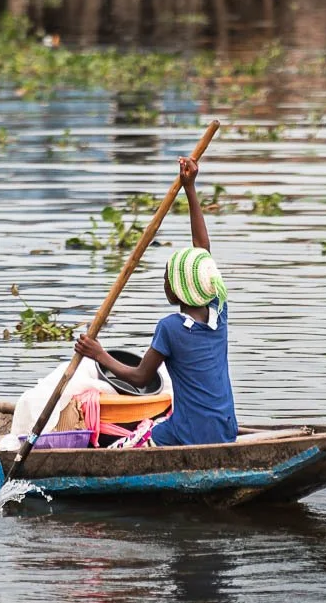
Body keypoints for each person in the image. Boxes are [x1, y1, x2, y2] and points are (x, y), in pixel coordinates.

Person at [73, 156, 236, 447]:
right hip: (226, 430)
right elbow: (203, 250)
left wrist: (99, 354)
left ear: (177, 291)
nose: (164, 283)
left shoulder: (171, 327)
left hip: (186, 435)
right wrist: (190, 188)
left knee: (125, 446)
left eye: (166, 279)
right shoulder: (218, 311)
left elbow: (139, 377)